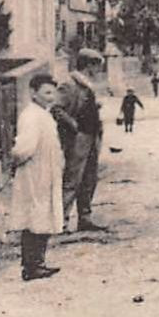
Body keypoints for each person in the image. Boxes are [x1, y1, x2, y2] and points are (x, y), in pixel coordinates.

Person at [9, 73, 64, 282]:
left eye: (53, 92)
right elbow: (24, 148)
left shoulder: (43, 114)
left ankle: (38, 262)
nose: (51, 97)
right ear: (33, 93)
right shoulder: (31, 116)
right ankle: (31, 266)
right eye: (46, 92)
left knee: (43, 215)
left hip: (44, 171)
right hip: (35, 173)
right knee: (35, 217)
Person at [53, 50, 106, 232]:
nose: (99, 70)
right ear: (88, 65)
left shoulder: (87, 86)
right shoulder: (69, 84)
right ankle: (61, 221)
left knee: (90, 178)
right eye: (97, 65)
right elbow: (57, 109)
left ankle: (85, 218)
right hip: (77, 139)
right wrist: (74, 125)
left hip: (92, 137)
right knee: (72, 179)